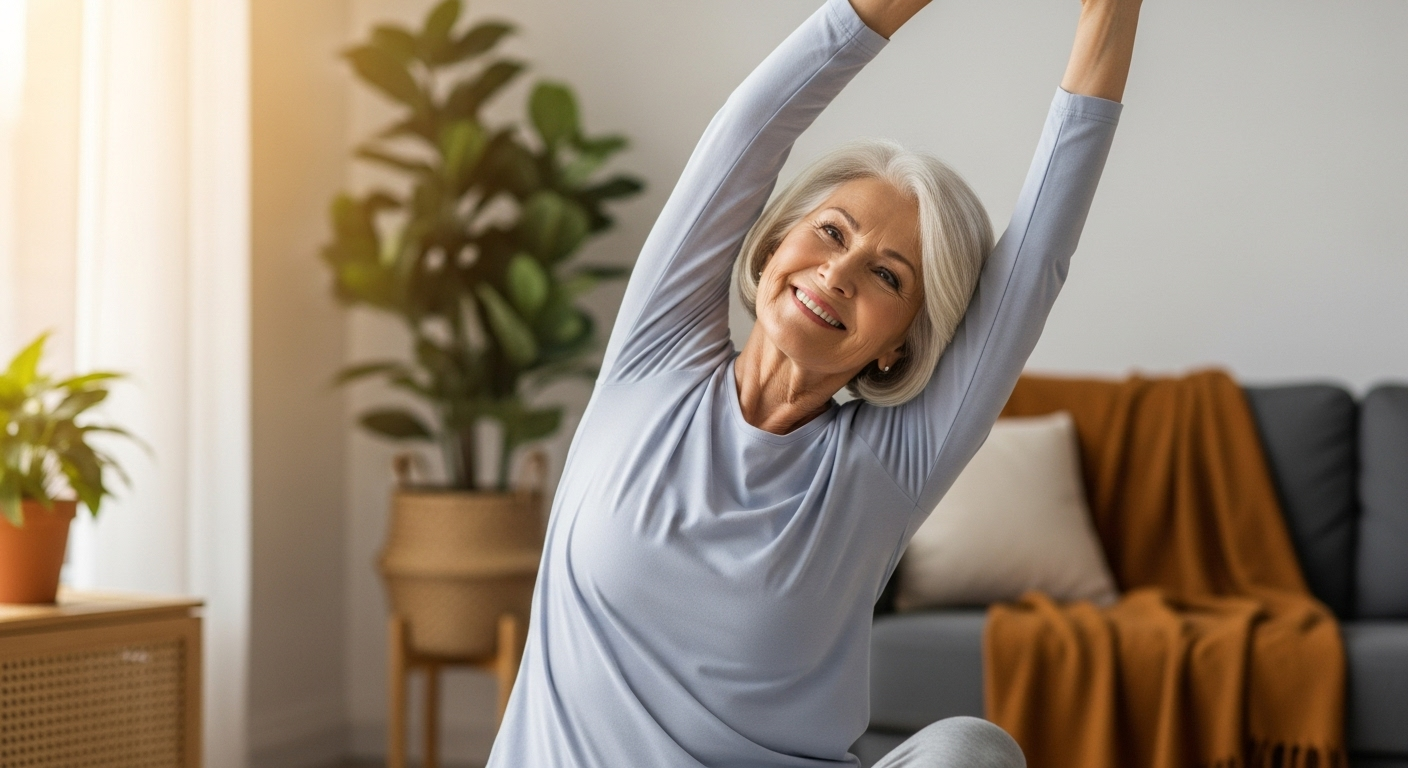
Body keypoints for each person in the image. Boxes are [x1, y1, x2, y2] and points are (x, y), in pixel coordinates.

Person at [486, 0, 1141, 764]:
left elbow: (1036, 263)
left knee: (971, 750)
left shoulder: (887, 468)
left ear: (900, 346)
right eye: (831, 231)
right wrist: (874, 12)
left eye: (887, 276)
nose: (838, 272)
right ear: (771, 246)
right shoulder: (651, 360)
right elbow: (748, 132)